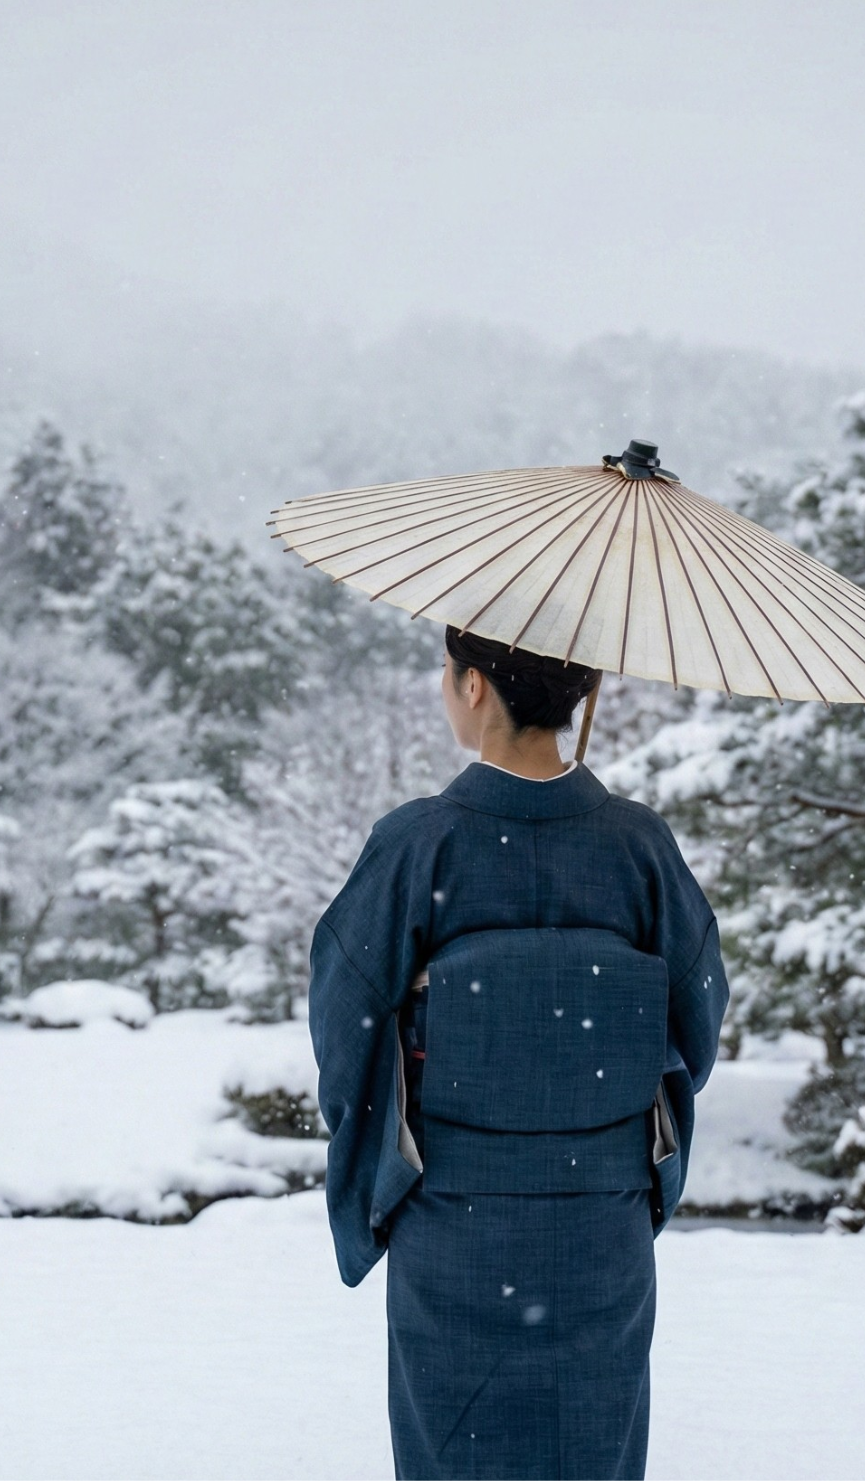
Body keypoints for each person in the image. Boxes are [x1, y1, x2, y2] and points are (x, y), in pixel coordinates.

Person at [309, 627, 728, 1481]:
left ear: (472, 687)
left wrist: (387, 1173)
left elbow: (345, 1022)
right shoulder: (638, 845)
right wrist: (609, 1125)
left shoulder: (418, 843)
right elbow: (696, 1016)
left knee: (453, 1451)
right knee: (592, 1448)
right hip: (598, 1224)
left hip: (455, 1215)